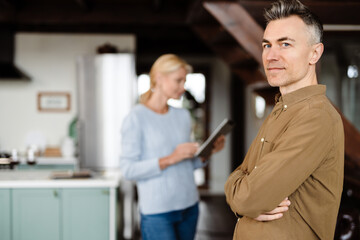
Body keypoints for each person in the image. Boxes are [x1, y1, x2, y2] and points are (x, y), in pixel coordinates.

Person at [224, 0, 344, 239]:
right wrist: (242, 193)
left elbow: (250, 197)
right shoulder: (282, 108)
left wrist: (243, 197)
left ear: (314, 53)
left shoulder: (315, 116)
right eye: (267, 45)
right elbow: (242, 181)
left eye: (285, 44)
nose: (271, 56)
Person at [120, 54, 225, 240]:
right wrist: (171, 158)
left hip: (189, 206)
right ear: (159, 78)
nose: (183, 87)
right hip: (158, 213)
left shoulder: (182, 115)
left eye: (184, 81)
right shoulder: (136, 118)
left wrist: (208, 152)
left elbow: (187, 164)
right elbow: (128, 170)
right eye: (178, 80)